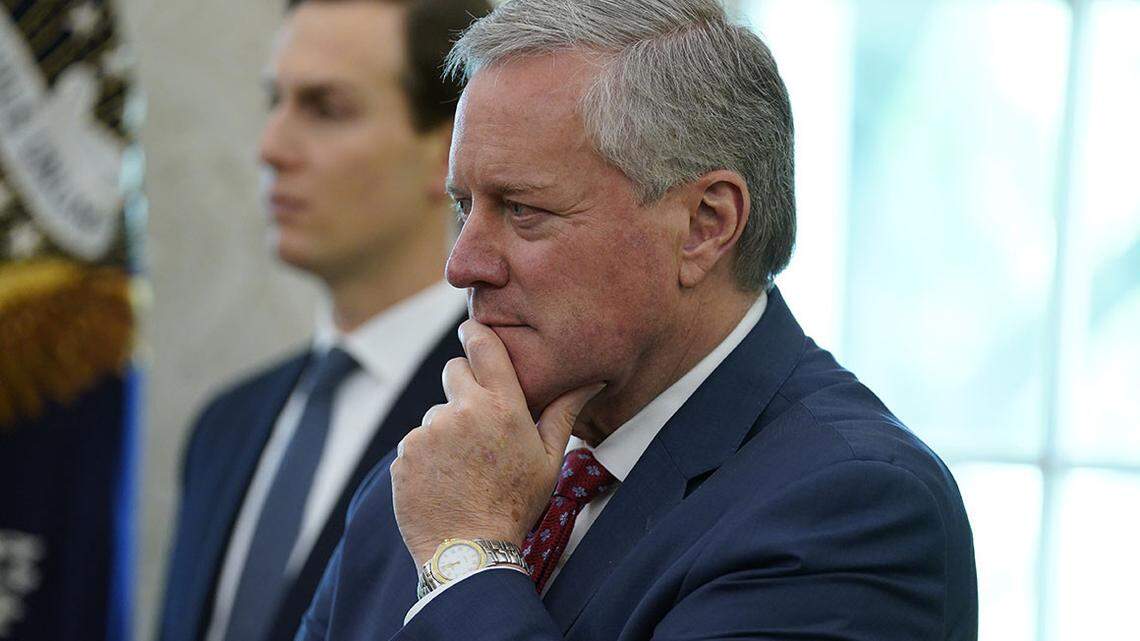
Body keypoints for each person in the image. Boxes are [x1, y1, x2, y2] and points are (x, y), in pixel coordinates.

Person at [298, 0, 979, 639]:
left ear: (705, 225)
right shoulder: (441, 468)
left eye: (522, 209)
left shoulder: (855, 505)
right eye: (462, 207)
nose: (464, 264)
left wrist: (469, 558)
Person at [156, 1, 492, 641]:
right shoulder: (223, 427)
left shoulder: (498, 422)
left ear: (451, 149)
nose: (271, 147)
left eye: (326, 109)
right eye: (274, 101)